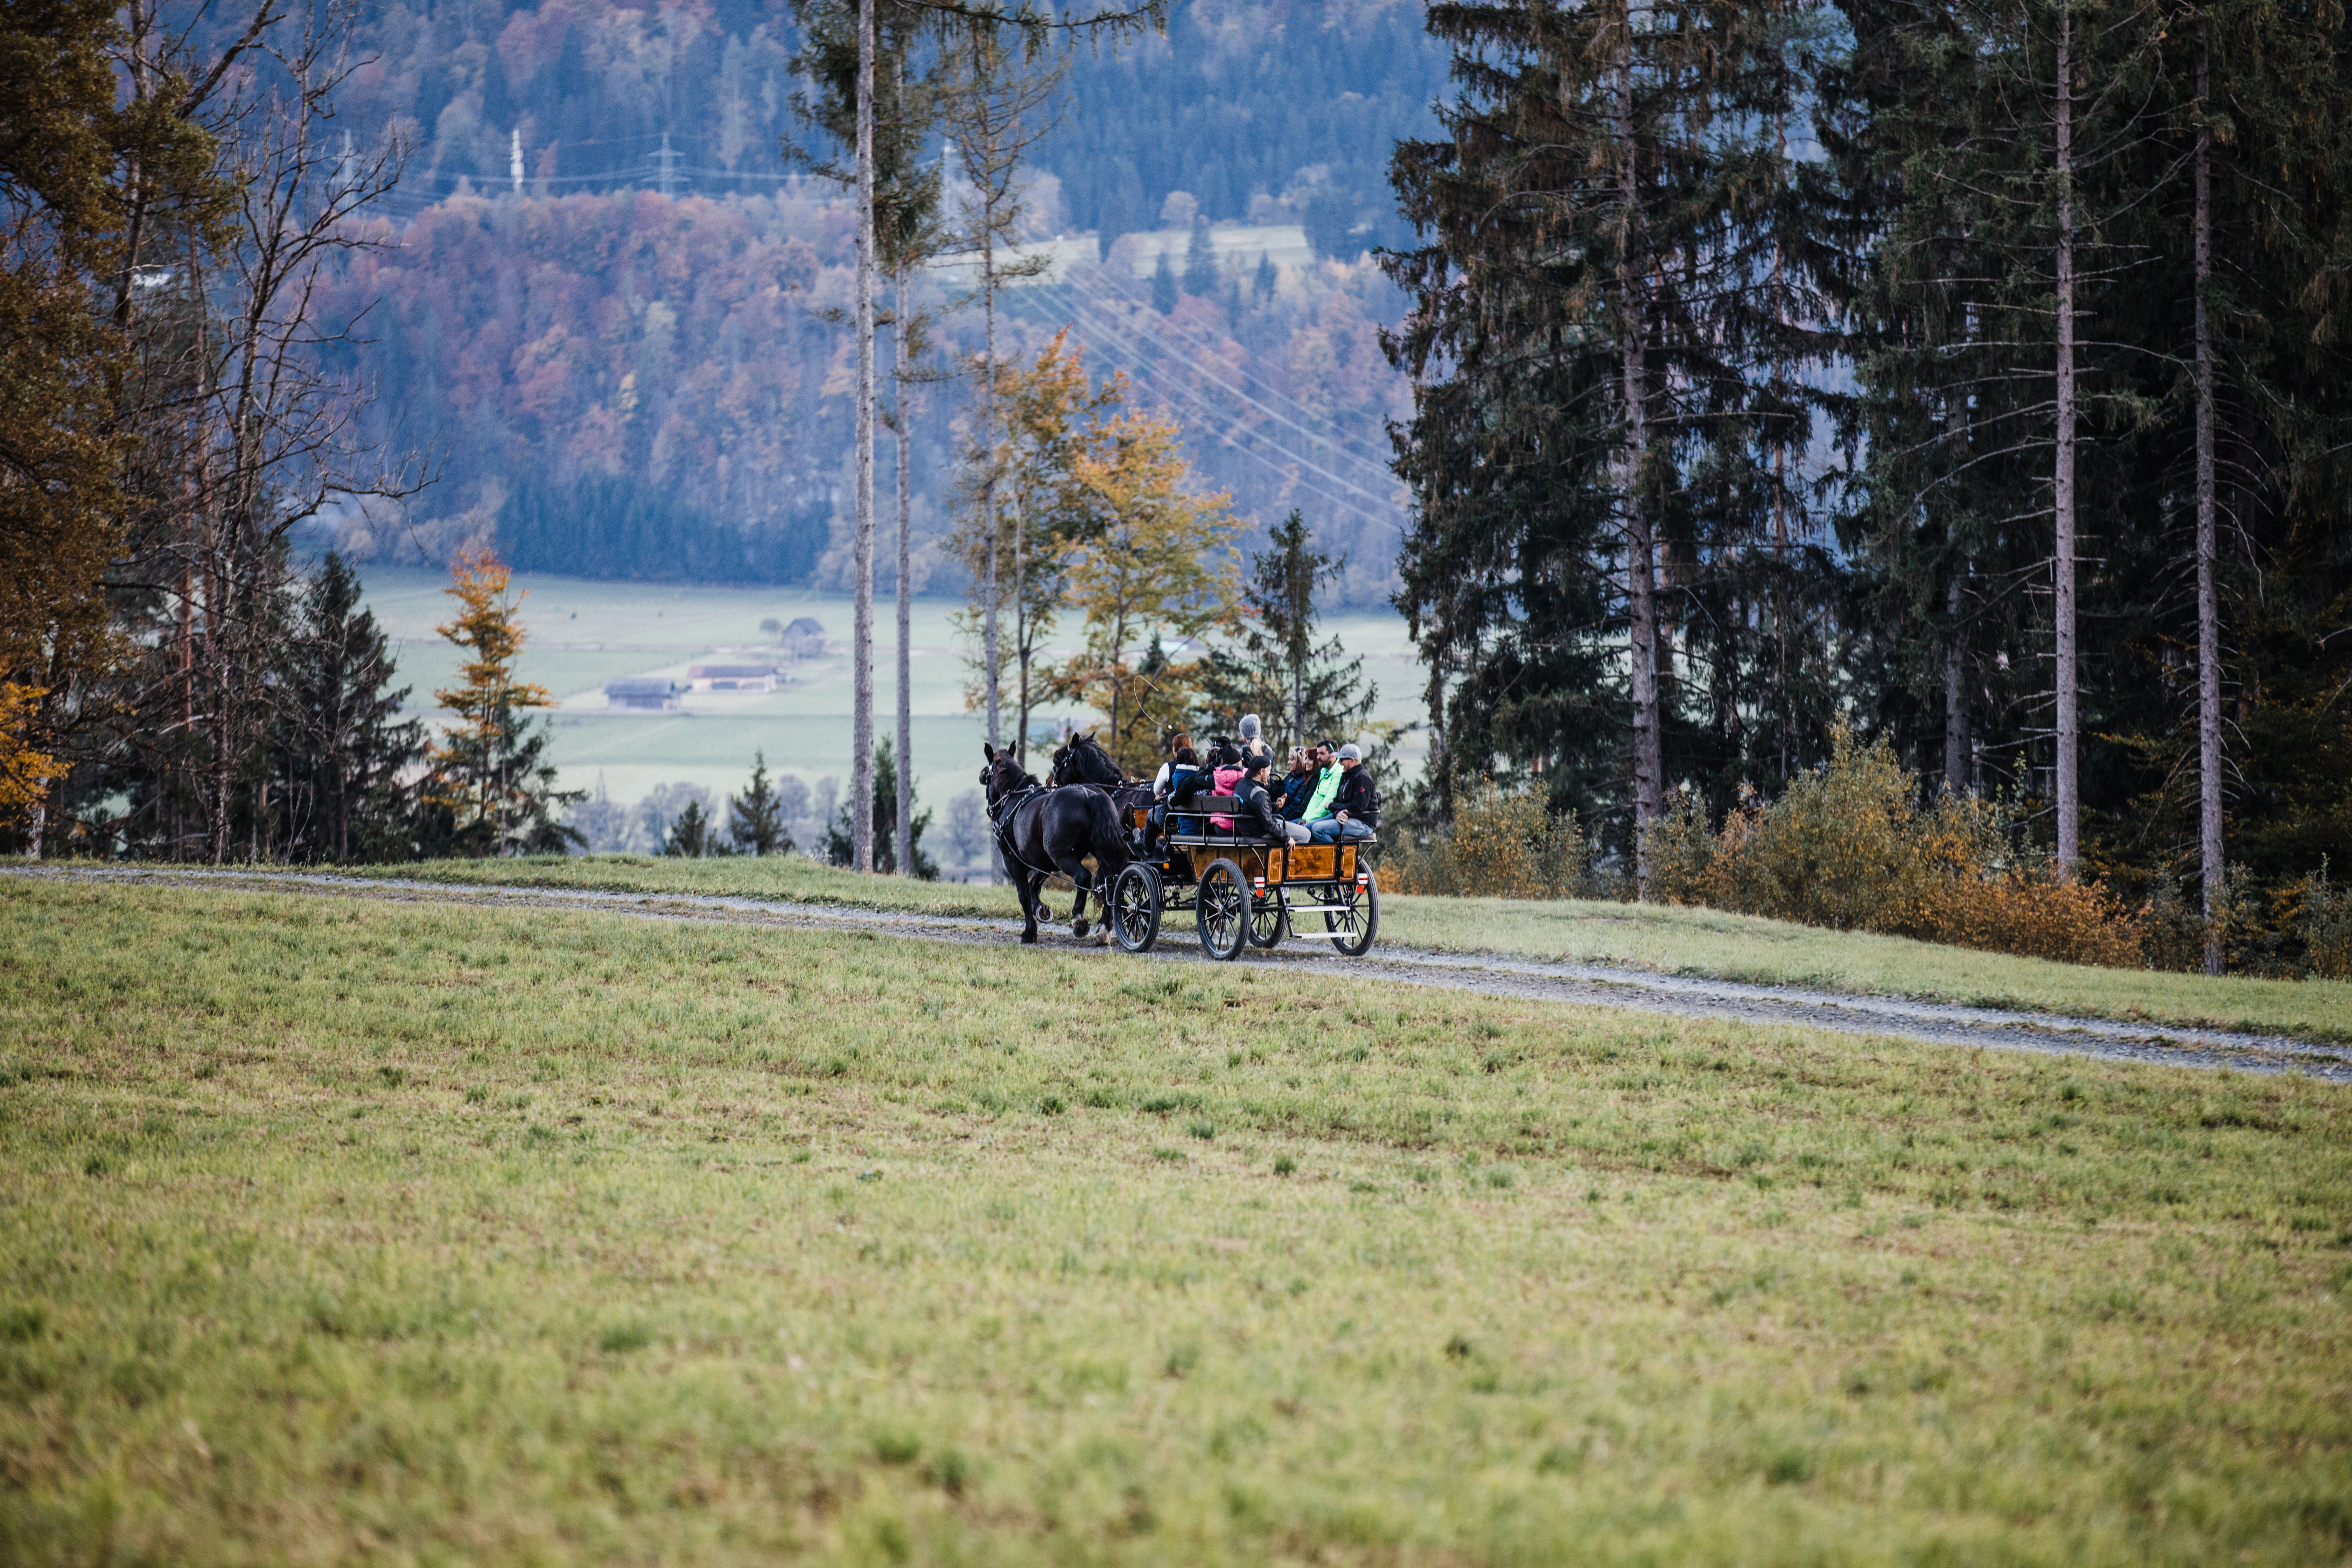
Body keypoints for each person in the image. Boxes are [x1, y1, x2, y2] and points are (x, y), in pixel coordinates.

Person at [1309, 743, 1378, 842]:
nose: (1340, 763)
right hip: (1348, 817)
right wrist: (1337, 813)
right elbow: (1338, 801)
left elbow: (1359, 807)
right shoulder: (1346, 775)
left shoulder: (1362, 778)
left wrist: (1332, 806)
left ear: (1352, 761)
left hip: (1363, 824)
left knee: (1318, 829)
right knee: (1308, 828)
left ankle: (1336, 857)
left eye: (1342, 760)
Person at [1234, 753, 1310, 843]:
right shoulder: (1258, 793)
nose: (1269, 774)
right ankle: (1289, 857)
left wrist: (1276, 806)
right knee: (1306, 834)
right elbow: (1268, 823)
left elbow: (1259, 810)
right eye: (1269, 771)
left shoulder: (1241, 784)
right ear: (1262, 772)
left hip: (1248, 828)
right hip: (1259, 831)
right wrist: (1287, 838)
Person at [1298, 742, 1341, 826]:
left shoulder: (1339, 772)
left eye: (1322, 754)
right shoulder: (1324, 771)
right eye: (1318, 754)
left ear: (1333, 755)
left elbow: (1329, 800)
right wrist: (1305, 818)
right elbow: (1316, 797)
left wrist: (1309, 820)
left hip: (1329, 815)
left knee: (1306, 829)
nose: (1318, 757)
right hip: (1316, 816)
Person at [1277, 748, 1316, 819]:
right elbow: (1280, 793)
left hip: (1291, 816)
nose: (1289, 763)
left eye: (1292, 760)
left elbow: (1296, 805)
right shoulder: (1289, 777)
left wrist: (1280, 816)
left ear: (1300, 761)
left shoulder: (1304, 781)